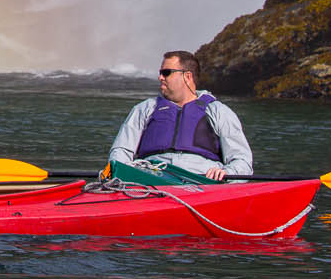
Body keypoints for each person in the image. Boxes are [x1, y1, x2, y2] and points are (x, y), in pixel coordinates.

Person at [106, 50, 253, 181]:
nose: (160, 78)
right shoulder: (144, 109)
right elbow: (121, 151)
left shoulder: (218, 111)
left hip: (201, 179)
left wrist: (226, 173)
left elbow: (241, 160)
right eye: (160, 73)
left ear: (187, 76)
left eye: (166, 72)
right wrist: (122, 176)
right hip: (151, 177)